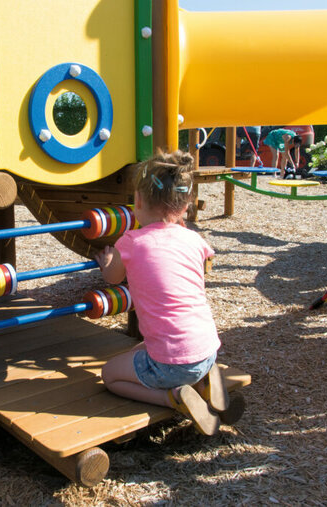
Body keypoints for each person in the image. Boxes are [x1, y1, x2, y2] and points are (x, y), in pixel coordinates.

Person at [95, 150, 242, 436]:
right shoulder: (193, 239)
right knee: (142, 348)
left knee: (109, 375)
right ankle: (203, 381)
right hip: (208, 350)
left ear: (137, 201)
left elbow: (113, 278)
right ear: (186, 205)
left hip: (169, 365)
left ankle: (172, 398)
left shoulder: (131, 241)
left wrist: (108, 261)